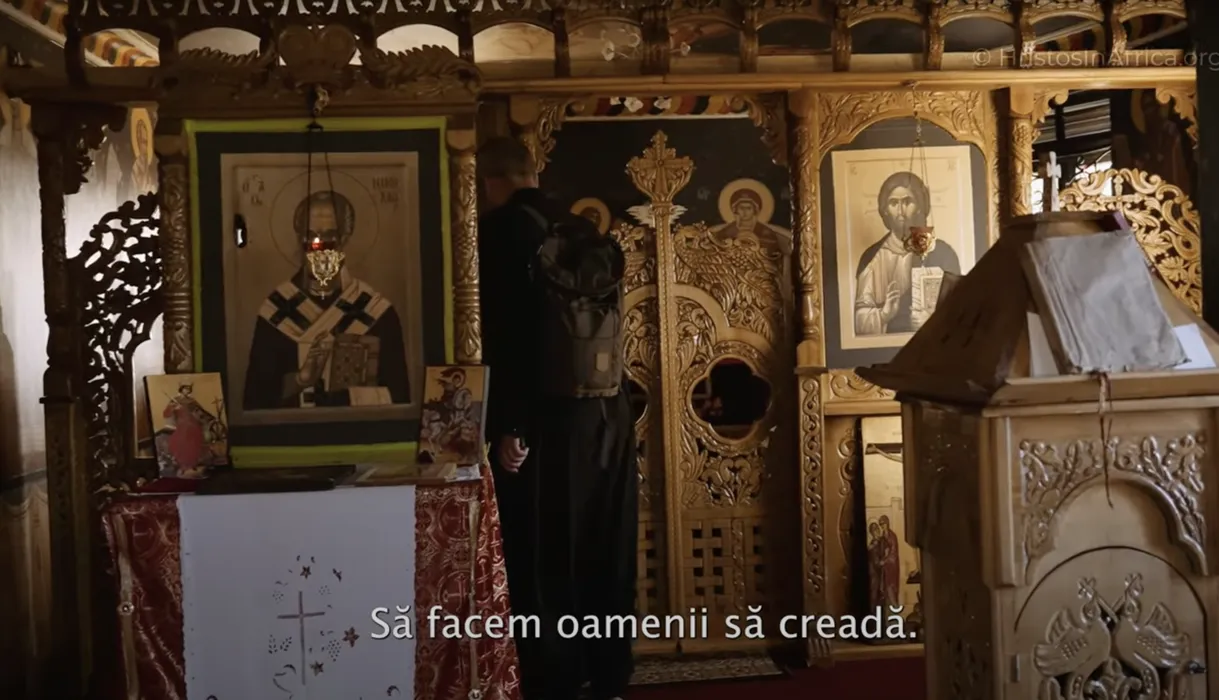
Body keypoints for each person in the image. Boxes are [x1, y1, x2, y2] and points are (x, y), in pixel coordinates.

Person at [477, 136, 638, 700]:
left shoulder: (500, 234)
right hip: (609, 415)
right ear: (532, 172)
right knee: (604, 545)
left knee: (544, 552)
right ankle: (610, 672)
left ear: (488, 182)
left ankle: (556, 679)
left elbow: (508, 336)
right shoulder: (582, 230)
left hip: (544, 420)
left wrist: (510, 425)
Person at [243, 190, 410, 410]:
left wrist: (344, 399)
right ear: (299, 238)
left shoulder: (375, 311)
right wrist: (300, 381)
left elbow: (400, 397)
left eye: (329, 236)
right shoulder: (277, 310)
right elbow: (255, 402)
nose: (319, 245)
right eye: (310, 236)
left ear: (344, 239)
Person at [854, 171, 961, 336]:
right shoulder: (871, 258)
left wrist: (934, 320)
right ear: (885, 209)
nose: (900, 211)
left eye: (907, 202)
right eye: (893, 203)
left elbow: (960, 309)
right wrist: (884, 315)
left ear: (919, 207)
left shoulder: (943, 253)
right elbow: (859, 322)